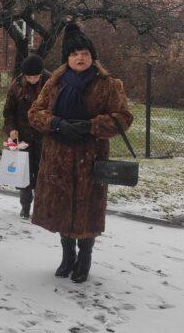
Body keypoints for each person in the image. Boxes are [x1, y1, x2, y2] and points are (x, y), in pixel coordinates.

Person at [28, 23, 133, 283]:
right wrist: (56, 123)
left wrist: (91, 126)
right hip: (58, 158)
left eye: (84, 53)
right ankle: (67, 256)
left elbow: (123, 118)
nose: (80, 57)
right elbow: (34, 113)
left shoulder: (108, 84)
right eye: (75, 53)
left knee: (87, 209)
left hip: (90, 158)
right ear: (67, 58)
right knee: (63, 208)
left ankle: (84, 258)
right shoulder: (54, 82)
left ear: (92, 56)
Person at [3, 54, 51, 219]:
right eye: (29, 76)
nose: (32, 79)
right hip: (23, 136)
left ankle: (42, 207)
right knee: (24, 173)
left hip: (45, 136)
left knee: (43, 173)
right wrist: (11, 129)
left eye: (35, 76)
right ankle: (25, 206)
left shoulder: (51, 84)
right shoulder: (17, 85)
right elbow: (8, 111)